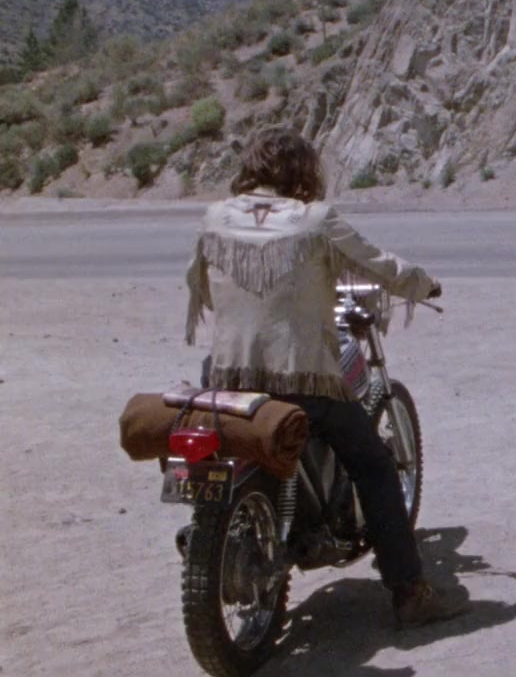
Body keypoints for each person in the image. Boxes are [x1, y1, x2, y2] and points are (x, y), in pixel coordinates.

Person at [183, 128, 469, 627]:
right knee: (375, 466)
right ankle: (409, 593)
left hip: (227, 378)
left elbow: (201, 287)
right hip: (301, 381)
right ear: (303, 170)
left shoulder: (216, 217)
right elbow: (378, 264)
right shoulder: (315, 220)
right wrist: (424, 284)